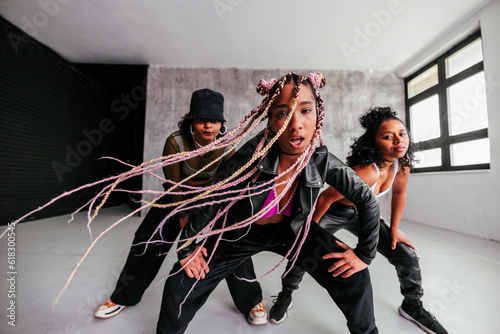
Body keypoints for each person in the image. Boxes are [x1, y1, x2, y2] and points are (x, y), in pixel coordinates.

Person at [156, 73, 381, 334]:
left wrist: (365, 253)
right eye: (283, 113)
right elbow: (212, 198)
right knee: (180, 282)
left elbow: (366, 198)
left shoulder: (320, 159)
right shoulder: (248, 156)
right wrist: (186, 248)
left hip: (293, 229)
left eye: (305, 110)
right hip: (241, 230)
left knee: (355, 276)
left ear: (317, 114)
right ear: (271, 120)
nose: (296, 123)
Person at [94, 88, 266, 325]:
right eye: (201, 120)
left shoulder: (227, 148)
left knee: (232, 240)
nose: (208, 126)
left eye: (214, 121)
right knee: (148, 237)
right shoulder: (175, 141)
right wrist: (189, 240)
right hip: (177, 197)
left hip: (212, 200)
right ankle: (123, 296)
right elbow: (174, 187)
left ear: (221, 124)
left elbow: (227, 189)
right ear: (191, 122)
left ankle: (251, 299)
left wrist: (208, 221)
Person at [269, 107, 448, 334]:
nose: (398, 140)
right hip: (334, 211)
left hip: (365, 215)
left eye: (402, 133)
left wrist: (393, 229)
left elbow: (399, 194)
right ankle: (285, 295)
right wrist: (309, 232)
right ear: (374, 143)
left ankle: (412, 305)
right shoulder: (367, 172)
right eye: (387, 136)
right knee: (304, 255)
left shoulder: (401, 164)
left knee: (407, 255)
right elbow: (325, 197)